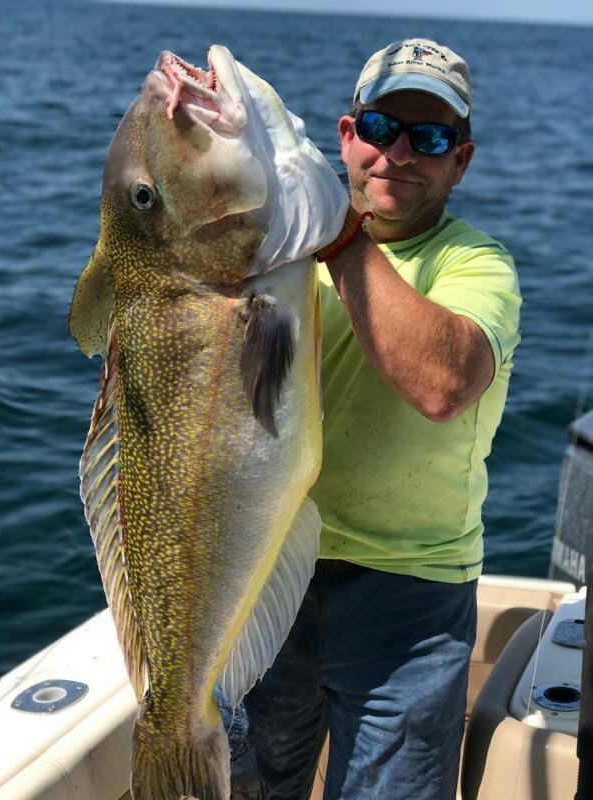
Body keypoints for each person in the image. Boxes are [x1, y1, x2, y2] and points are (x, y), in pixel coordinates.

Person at [225, 37, 521, 800]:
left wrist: (342, 235)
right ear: (346, 137)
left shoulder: (476, 265)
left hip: (409, 598)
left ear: (462, 160)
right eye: (383, 128)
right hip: (268, 569)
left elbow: (443, 383)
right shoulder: (278, 256)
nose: (399, 153)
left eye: (429, 138)